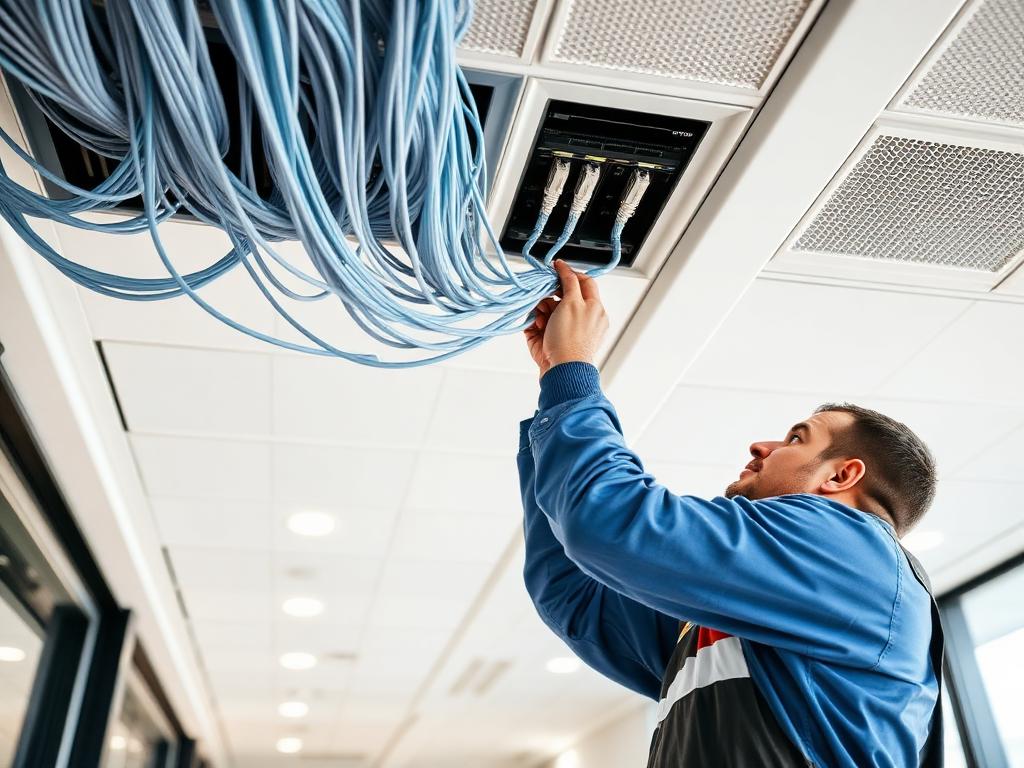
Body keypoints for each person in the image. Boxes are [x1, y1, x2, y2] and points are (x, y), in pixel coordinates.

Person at [518, 261, 943, 767]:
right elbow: (577, 596)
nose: (761, 445)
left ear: (839, 477)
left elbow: (608, 523)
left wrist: (573, 373)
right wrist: (554, 391)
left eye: (794, 438)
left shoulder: (850, 548)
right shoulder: (746, 612)